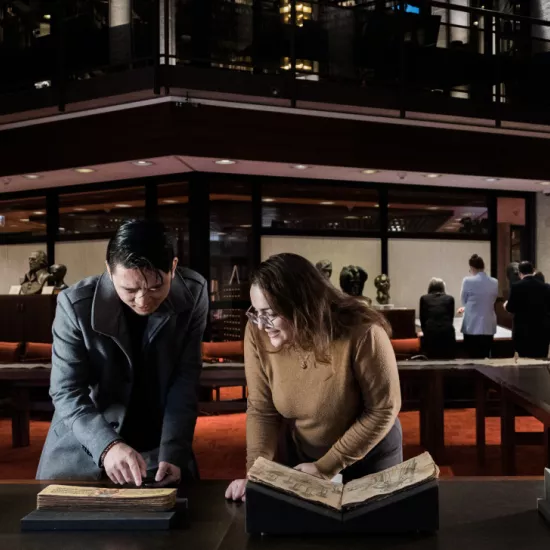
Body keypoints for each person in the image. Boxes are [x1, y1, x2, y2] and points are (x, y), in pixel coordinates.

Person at [36, 220, 208, 486]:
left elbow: (185, 379)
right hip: (82, 448)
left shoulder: (193, 293)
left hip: (156, 445)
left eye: (155, 288)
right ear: (109, 270)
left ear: (173, 268)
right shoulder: (74, 305)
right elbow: (66, 391)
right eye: (130, 289)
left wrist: (174, 450)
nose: (143, 300)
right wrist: (106, 446)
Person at [225, 253, 402, 502]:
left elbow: (383, 409)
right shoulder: (257, 331)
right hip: (305, 453)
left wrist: (326, 467)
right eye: (256, 312)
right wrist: (257, 474)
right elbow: (261, 409)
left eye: (270, 314)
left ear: (302, 306)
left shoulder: (363, 332)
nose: (262, 324)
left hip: (370, 451)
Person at [505, 261, 550, 359]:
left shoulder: (516, 287)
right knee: (541, 361)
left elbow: (511, 308)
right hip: (541, 331)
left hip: (523, 332)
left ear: (520, 273)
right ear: (533, 270)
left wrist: (505, 305)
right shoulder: (546, 287)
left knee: (525, 363)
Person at [458, 254, 498, 359]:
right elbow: (493, 300)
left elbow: (463, 300)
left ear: (471, 268)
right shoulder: (494, 282)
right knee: (485, 356)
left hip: (472, 324)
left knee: (472, 357)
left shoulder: (467, 281)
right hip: (488, 324)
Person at [419, 278, 456, 359]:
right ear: (443, 287)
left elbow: (422, 318)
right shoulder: (450, 299)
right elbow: (450, 318)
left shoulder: (424, 298)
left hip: (430, 331)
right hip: (447, 332)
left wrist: (426, 331)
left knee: (431, 358)